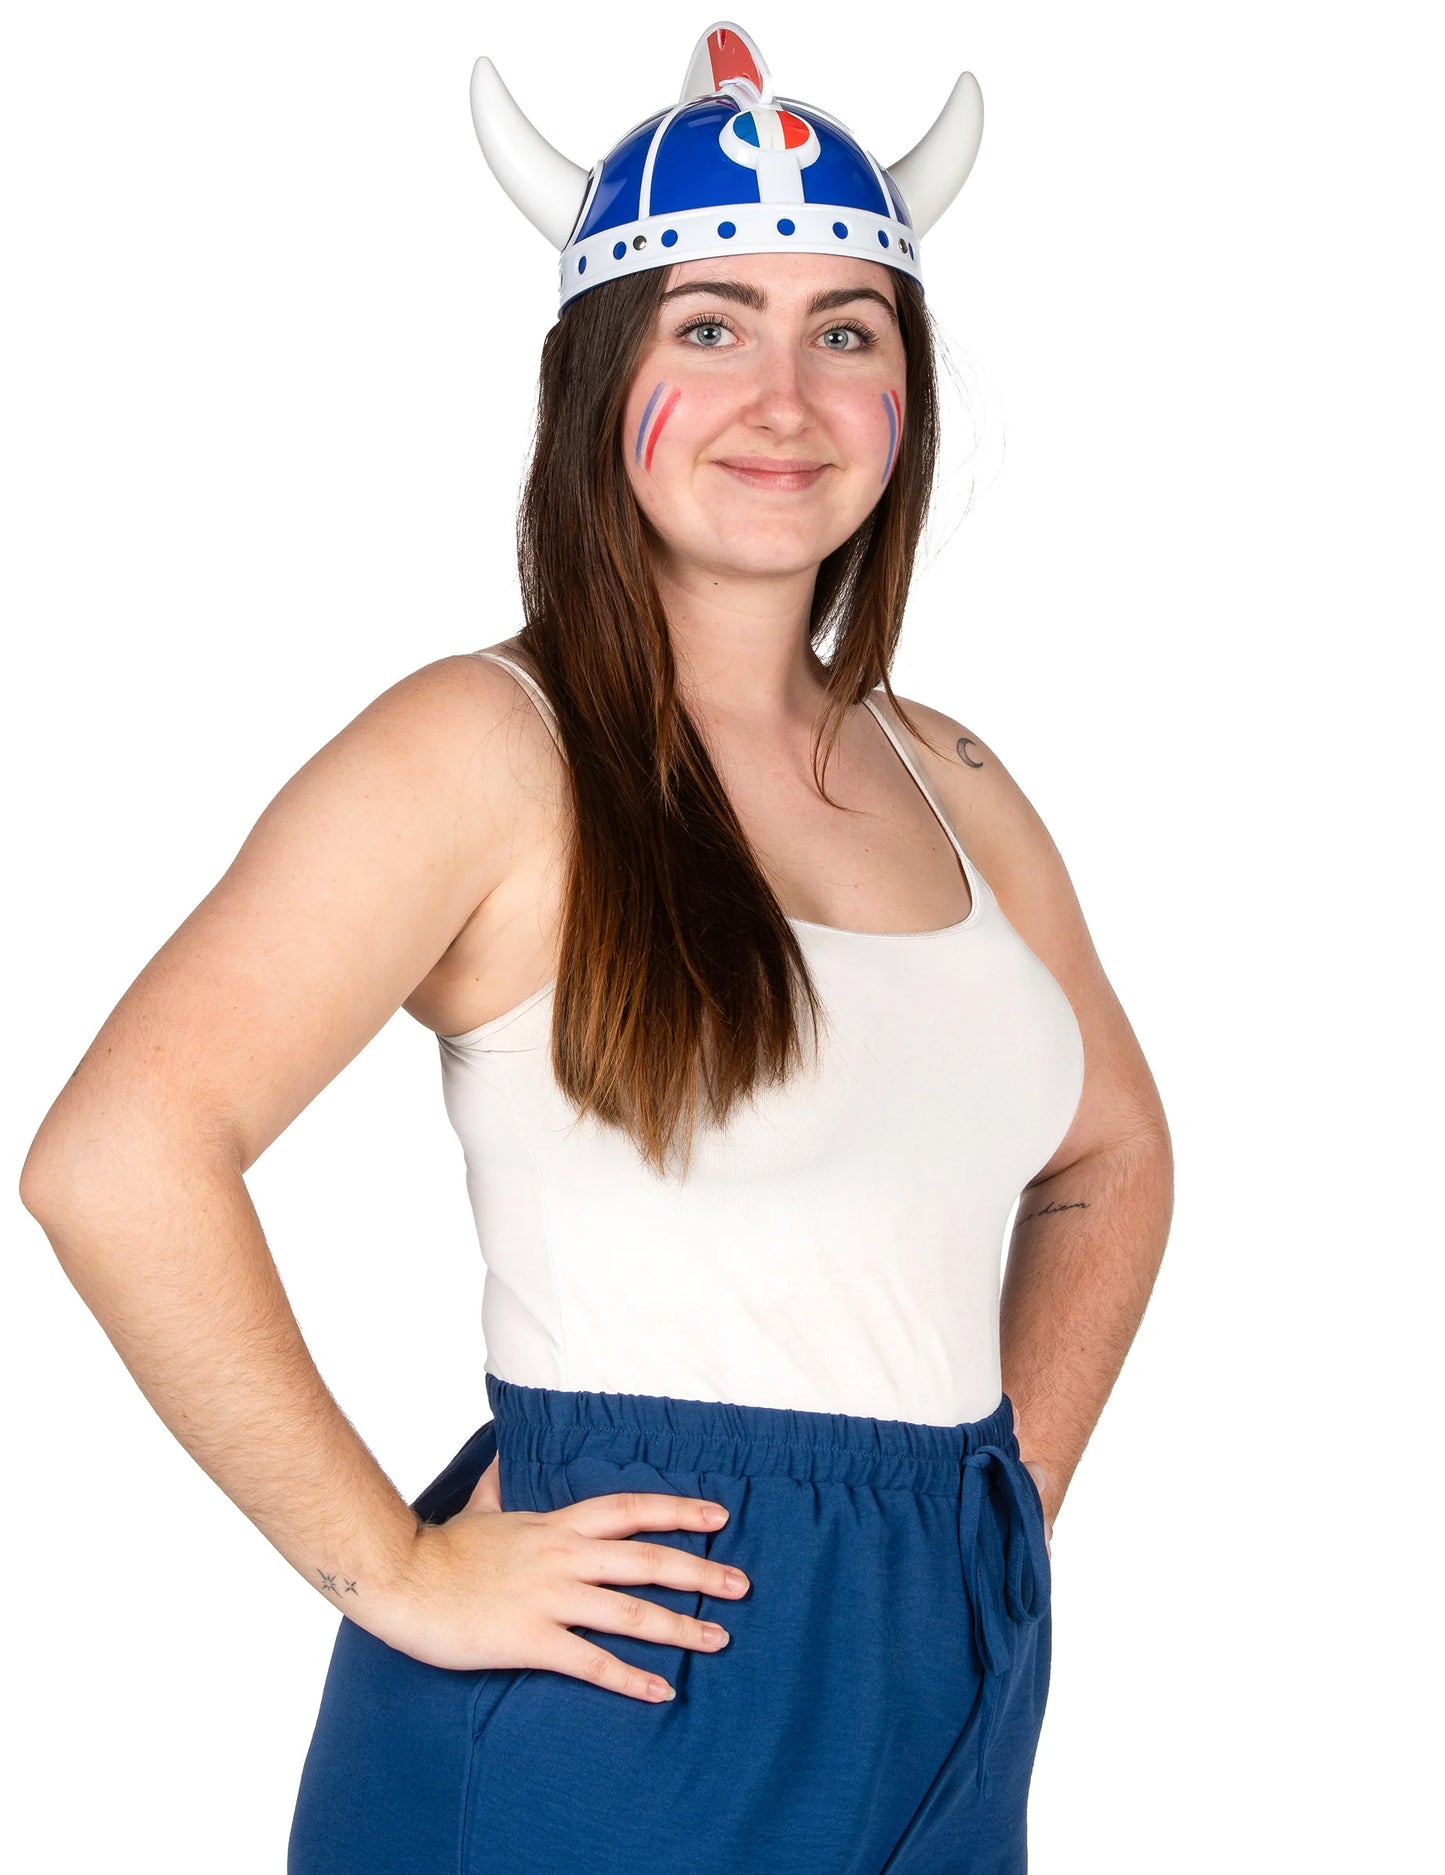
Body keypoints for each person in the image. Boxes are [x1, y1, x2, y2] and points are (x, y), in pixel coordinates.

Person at [19, 21, 1173, 1873]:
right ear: (594, 379)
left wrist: (996, 1502)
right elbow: (115, 1159)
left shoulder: (950, 775)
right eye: (709, 327)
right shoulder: (487, 749)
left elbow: (1109, 1154)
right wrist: (393, 1566)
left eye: (845, 334)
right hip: (628, 1677)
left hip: (942, 1666)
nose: (781, 398)